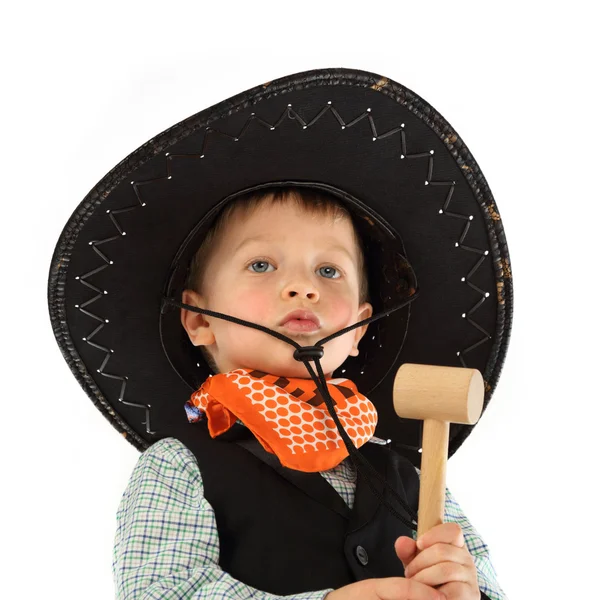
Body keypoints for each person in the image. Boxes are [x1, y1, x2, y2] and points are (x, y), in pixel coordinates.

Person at [48, 68, 513, 600]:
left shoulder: (414, 480)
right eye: (263, 265)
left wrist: (465, 591)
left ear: (360, 327)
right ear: (199, 320)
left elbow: (485, 586)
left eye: (329, 271)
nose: (302, 287)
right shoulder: (179, 466)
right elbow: (161, 592)